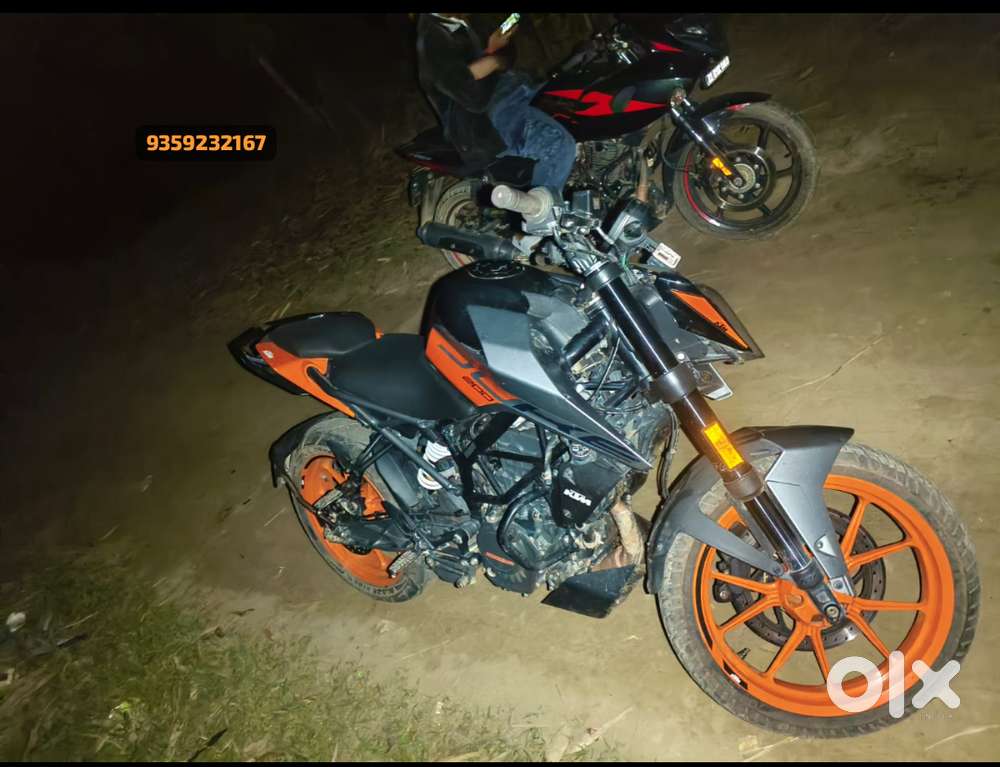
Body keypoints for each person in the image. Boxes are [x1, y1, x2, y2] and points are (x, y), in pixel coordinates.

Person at [416, 13, 576, 196]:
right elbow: (469, 94)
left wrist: (495, 52)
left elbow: (507, 55)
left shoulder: (462, 21)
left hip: (516, 91)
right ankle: (544, 212)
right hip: (485, 119)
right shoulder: (432, 38)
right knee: (559, 146)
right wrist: (493, 60)